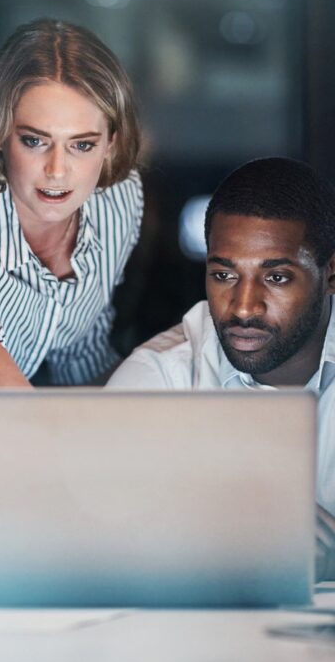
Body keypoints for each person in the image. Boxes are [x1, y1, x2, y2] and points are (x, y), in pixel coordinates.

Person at [107, 157, 335, 576]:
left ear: (330, 273)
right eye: (225, 276)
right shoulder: (156, 382)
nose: (244, 307)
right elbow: (95, 550)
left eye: (277, 278)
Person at [0, 19, 143, 404]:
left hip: (22, 437)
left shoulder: (117, 199)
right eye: (34, 141)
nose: (57, 169)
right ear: (0, 133)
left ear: (111, 144)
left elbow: (81, 356)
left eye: (81, 145)